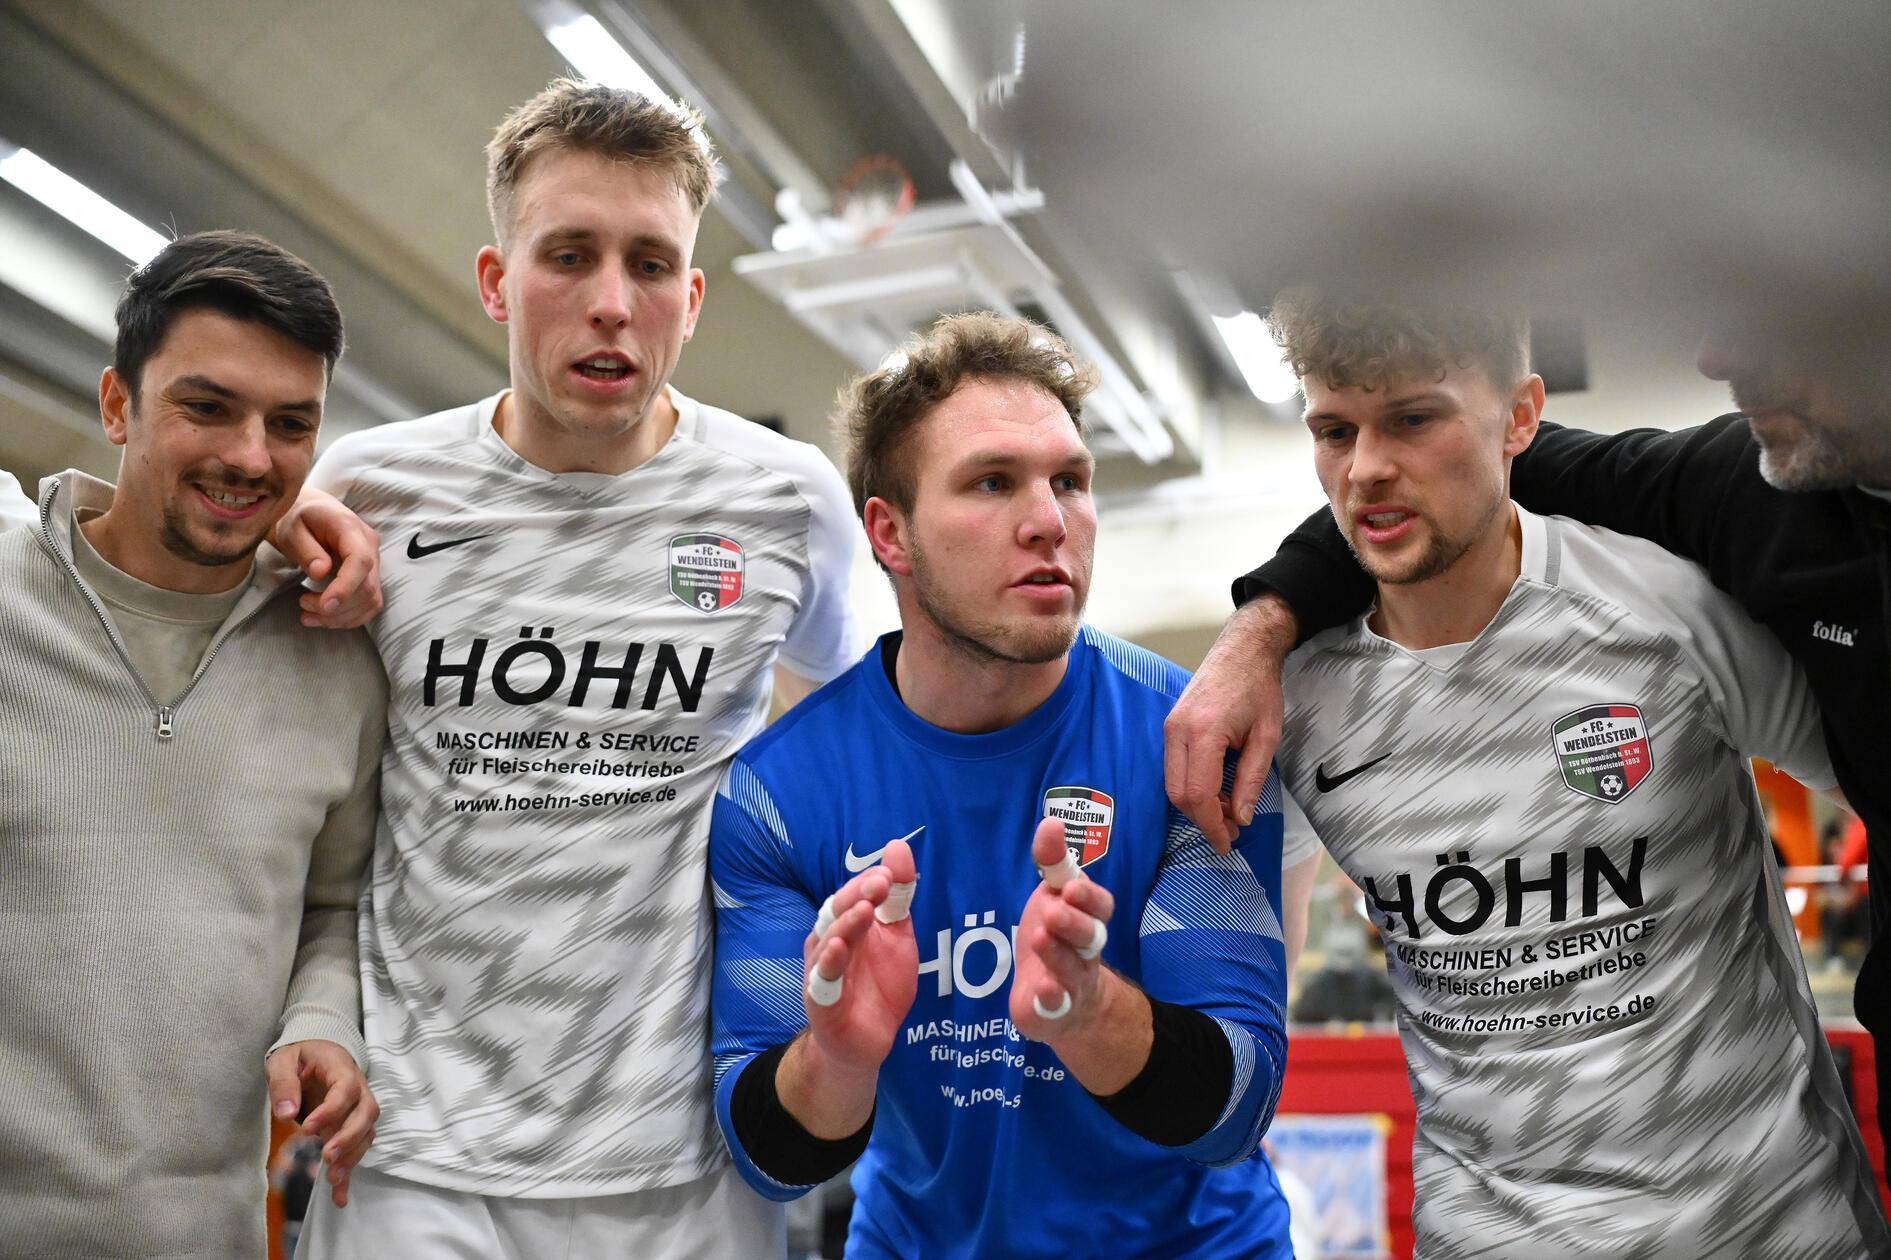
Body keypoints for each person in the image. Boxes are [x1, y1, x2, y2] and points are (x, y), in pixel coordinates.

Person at [295, 79, 859, 1258]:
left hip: (686, 1163)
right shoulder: (371, 489)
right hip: (414, 1156)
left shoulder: (783, 497)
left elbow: (885, 726)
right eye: (569, 255)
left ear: (691, 299)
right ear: (498, 280)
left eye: (651, 264)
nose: (611, 303)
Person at [1166, 299, 1891, 1162]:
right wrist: (1262, 625)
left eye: (1776, 313)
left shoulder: (1678, 613)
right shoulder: (1752, 491)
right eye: (1331, 431)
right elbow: (1436, 482)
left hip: (1767, 1210)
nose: (1714, 355)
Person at [710, 313, 1306, 1258]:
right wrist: (835, 1057)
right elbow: (771, 1158)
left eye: (1069, 480)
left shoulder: (1186, 740)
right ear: (889, 533)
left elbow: (1237, 1102)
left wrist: (1089, 1009)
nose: (1049, 520)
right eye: (993, 482)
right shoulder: (781, 794)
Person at [0, 230, 386, 1257]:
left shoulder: (337, 662)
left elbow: (339, 905)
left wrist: (325, 1021)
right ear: (118, 405)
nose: (251, 455)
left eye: (289, 424)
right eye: (206, 407)